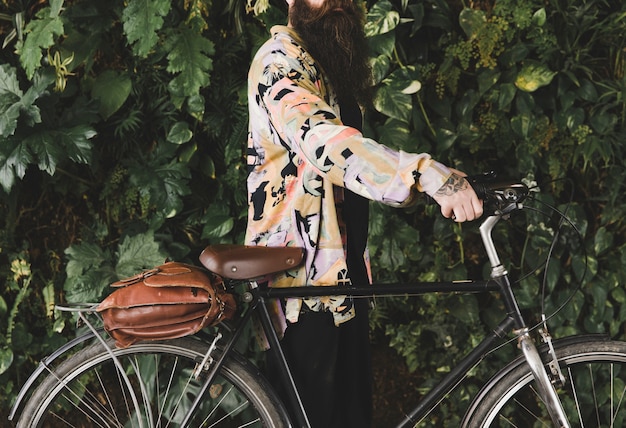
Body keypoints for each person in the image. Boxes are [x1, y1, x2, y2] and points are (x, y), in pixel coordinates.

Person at [245, 0, 483, 426]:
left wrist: (440, 182)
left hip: (341, 273)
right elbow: (327, 143)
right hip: (302, 279)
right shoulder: (279, 65)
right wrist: (424, 173)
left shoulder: (322, 61)